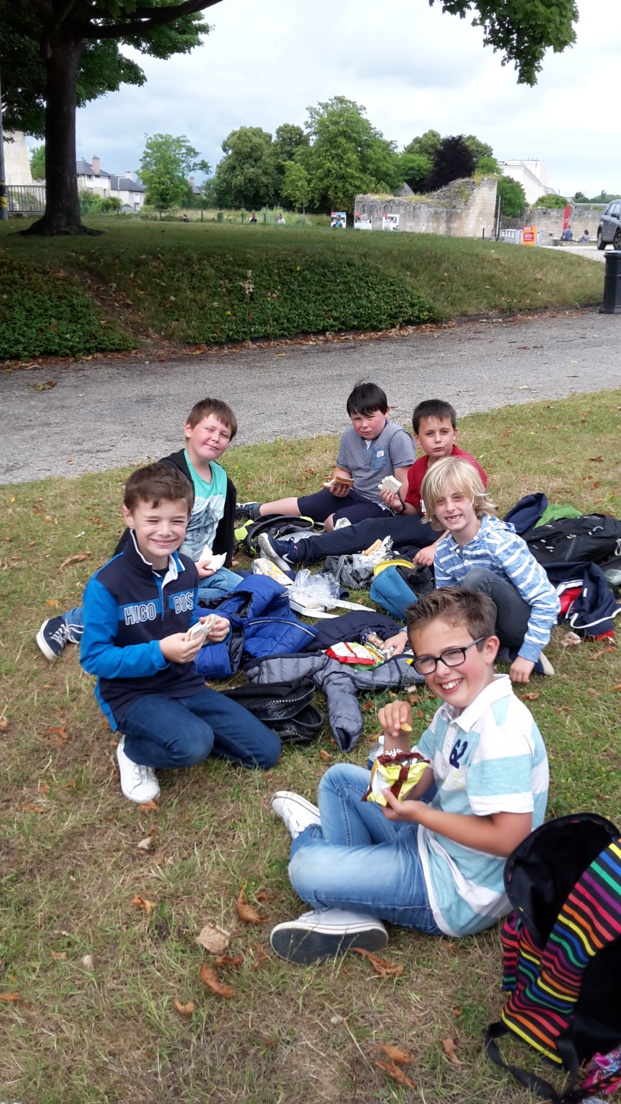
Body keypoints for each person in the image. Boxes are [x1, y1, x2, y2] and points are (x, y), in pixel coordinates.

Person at [268, 588, 549, 964]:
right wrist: (396, 740)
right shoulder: (454, 711)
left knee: (307, 868)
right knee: (339, 780)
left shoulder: (499, 732)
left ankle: (313, 839)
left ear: (488, 648)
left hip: (455, 891)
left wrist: (421, 815)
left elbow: (509, 840)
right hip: (430, 841)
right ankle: (354, 903)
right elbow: (401, 794)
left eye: (453, 653)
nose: (441, 671)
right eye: (427, 660)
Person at [79, 463, 281, 804]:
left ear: (189, 518)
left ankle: (180, 724)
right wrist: (159, 652)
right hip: (131, 695)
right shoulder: (106, 584)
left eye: (177, 521)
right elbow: (95, 657)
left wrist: (210, 628)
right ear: (129, 517)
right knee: (193, 744)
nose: (165, 532)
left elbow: (175, 624)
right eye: (153, 521)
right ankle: (134, 750)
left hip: (182, 683)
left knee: (265, 752)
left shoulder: (187, 571)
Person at [37, 398, 243, 660]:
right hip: (156, 571)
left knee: (238, 589)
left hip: (195, 571)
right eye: (209, 430)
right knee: (147, 605)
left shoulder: (223, 480)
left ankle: (171, 614)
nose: (216, 438)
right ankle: (72, 622)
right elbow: (144, 531)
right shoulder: (168, 475)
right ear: (188, 429)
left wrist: (223, 556)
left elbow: (223, 523)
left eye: (224, 435)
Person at [384, 456, 559, 680]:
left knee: (477, 579)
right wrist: (406, 634)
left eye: (458, 498)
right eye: (440, 501)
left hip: (522, 623)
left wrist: (529, 653)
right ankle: (502, 653)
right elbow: (446, 606)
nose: (450, 508)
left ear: (474, 499)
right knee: (456, 602)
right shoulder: (445, 550)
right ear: (431, 508)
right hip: (487, 624)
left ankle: (514, 652)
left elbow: (546, 600)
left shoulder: (500, 542)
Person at [257, 399, 485, 568]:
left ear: (454, 434)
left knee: (372, 531)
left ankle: (298, 551)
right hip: (427, 525)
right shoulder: (418, 468)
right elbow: (417, 511)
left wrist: (437, 548)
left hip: (453, 532)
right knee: (370, 529)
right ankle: (296, 549)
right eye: (430, 433)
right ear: (417, 438)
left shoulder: (465, 468)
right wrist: (399, 506)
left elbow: (475, 518)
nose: (437, 439)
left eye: (444, 432)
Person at [238, 381, 415, 532]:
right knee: (303, 505)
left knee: (334, 522)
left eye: (370, 417)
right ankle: (253, 510)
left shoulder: (397, 437)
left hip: (379, 504)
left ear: (386, 412)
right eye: (357, 419)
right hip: (352, 494)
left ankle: (320, 524)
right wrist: (338, 483)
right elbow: (343, 469)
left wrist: (403, 509)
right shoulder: (348, 436)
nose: (364, 425)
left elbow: (406, 480)